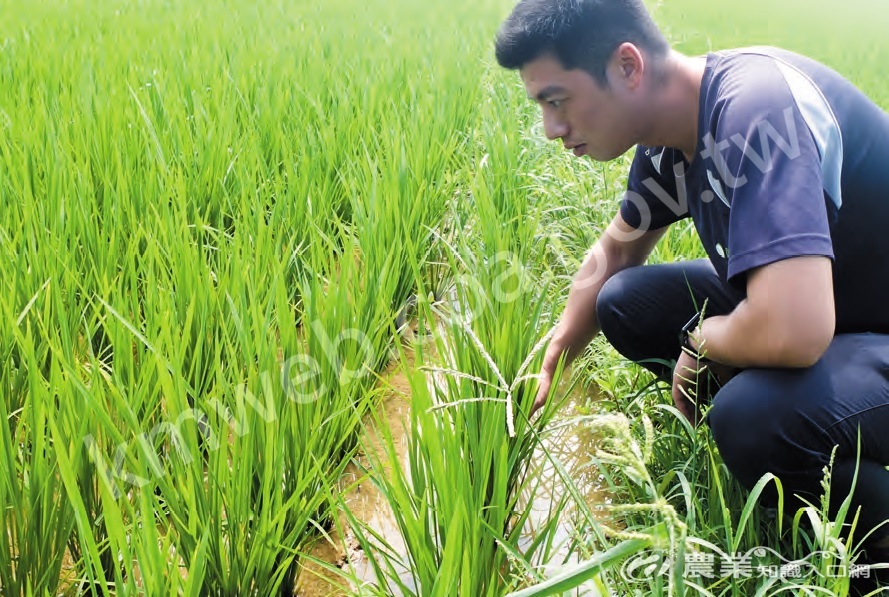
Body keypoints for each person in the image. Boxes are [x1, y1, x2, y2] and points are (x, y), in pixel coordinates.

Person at [495, 0, 889, 588]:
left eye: (557, 100)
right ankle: (777, 463)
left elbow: (796, 329)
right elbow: (618, 250)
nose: (551, 128)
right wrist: (556, 352)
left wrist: (702, 341)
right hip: (835, 309)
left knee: (751, 417)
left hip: (861, 326)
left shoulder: (755, 109)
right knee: (622, 301)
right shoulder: (670, 140)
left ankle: (873, 557)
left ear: (627, 66)